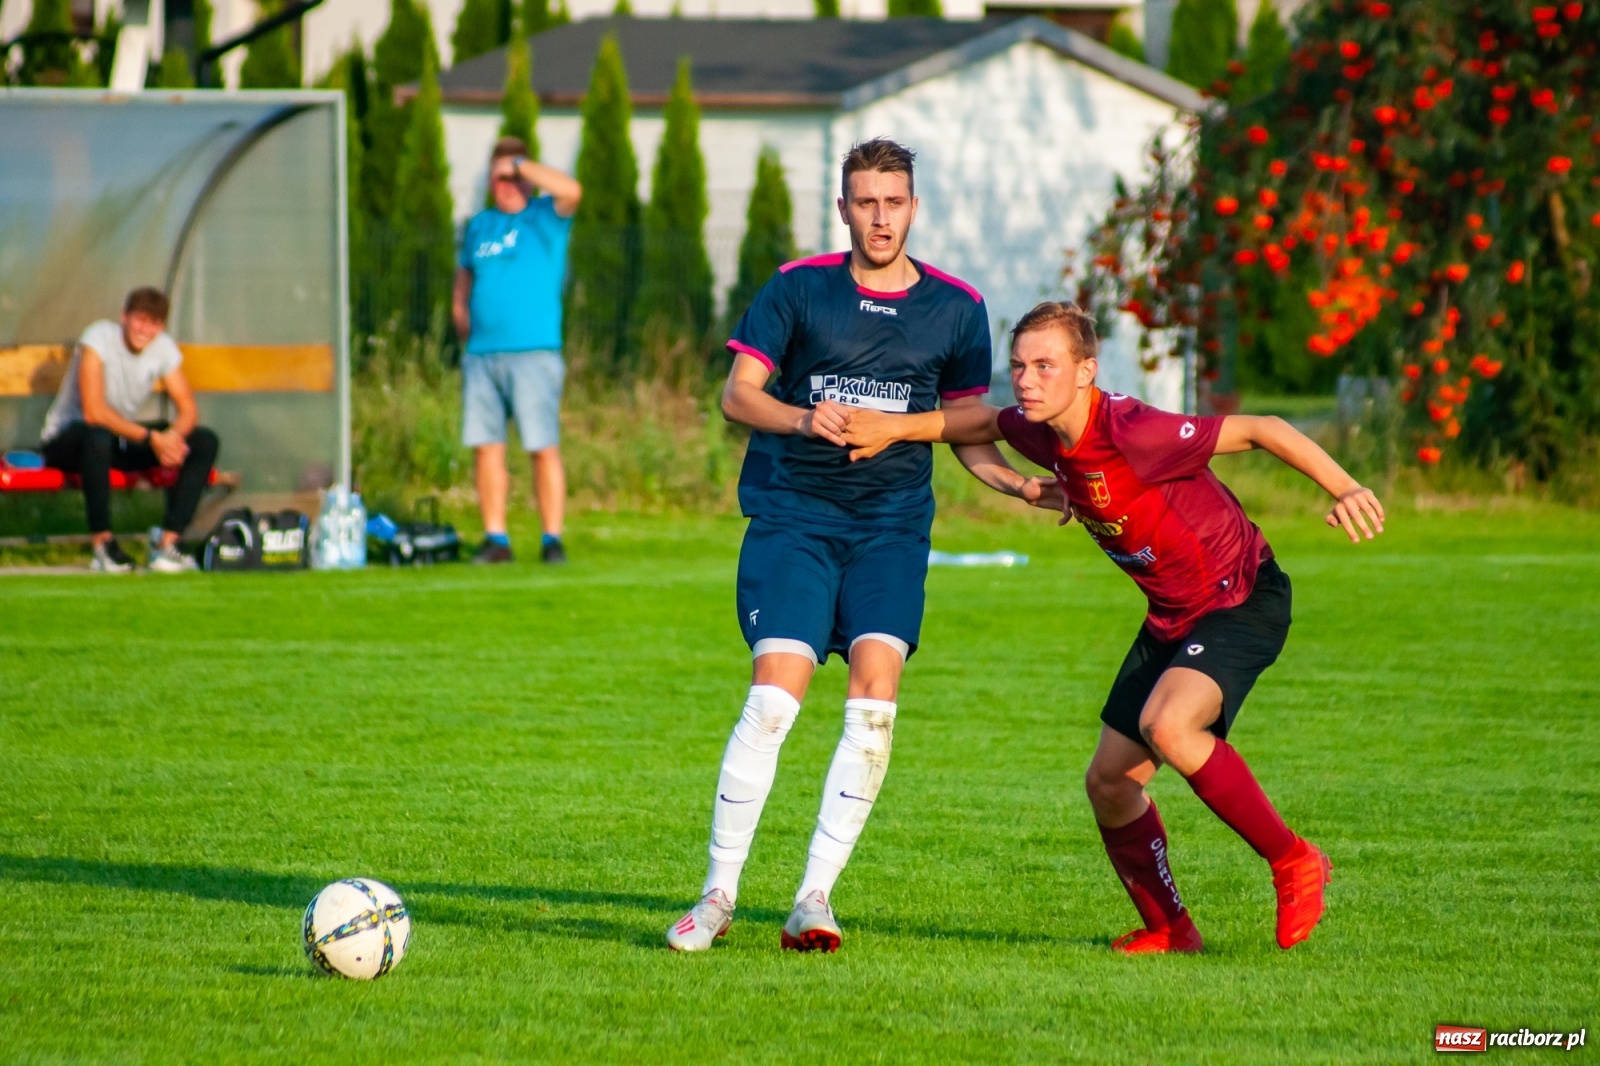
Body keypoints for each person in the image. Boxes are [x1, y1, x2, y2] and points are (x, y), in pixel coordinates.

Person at [838, 301, 1387, 954]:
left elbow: (1264, 427)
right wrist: (905, 434)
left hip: (1240, 597)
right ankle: (1170, 930)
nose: (1028, 379)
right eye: (1019, 366)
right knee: (1109, 783)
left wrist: (1345, 487)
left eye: (1046, 365)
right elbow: (978, 421)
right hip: (1172, 616)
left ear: (1086, 372)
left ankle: (1294, 859)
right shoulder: (1042, 428)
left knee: (1170, 726)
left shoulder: (1132, 430)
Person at [664, 139, 994, 953]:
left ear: (913, 207)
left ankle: (814, 898)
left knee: (875, 704)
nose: (880, 217)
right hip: (795, 519)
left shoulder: (957, 307)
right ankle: (715, 896)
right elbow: (737, 394)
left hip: (890, 532)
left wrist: (1019, 485)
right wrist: (804, 417)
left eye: (894, 201)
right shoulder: (798, 288)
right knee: (776, 700)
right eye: (865, 201)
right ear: (843, 207)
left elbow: (971, 423)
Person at [452, 137, 583, 565]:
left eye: (512, 176)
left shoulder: (545, 217)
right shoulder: (479, 226)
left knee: (542, 446)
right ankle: (496, 539)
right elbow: (464, 279)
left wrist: (521, 164)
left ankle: (552, 539)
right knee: (487, 446)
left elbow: (572, 190)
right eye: (498, 176)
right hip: (483, 354)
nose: (504, 184)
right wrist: (461, 316)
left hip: (534, 353)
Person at [39, 287, 219, 574]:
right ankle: (103, 545)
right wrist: (151, 439)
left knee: (204, 441)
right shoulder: (98, 337)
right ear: (125, 317)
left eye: (155, 323)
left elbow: (188, 410)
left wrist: (171, 439)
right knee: (97, 436)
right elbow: (93, 411)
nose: (145, 329)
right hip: (69, 440)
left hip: (118, 440)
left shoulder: (163, 349)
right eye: (140, 319)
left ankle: (167, 544)